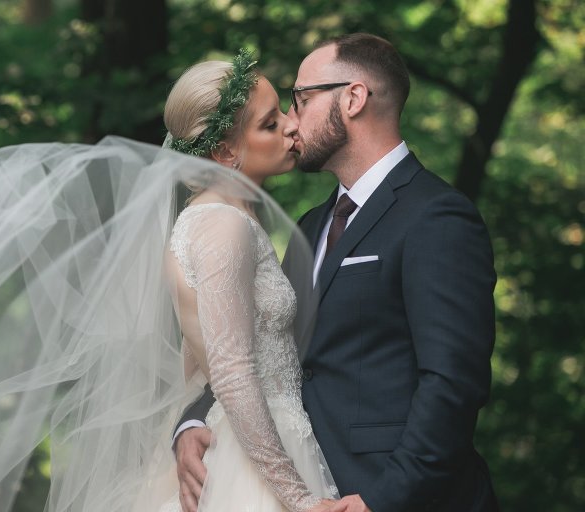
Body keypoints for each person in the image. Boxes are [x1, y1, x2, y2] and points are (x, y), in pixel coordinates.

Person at [0, 50, 337, 512]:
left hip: (247, 441)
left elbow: (192, 367)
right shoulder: (222, 226)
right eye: (271, 123)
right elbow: (232, 371)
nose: (293, 127)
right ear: (226, 152)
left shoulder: (214, 220)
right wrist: (297, 498)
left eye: (285, 112)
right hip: (254, 462)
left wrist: (189, 423)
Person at [174, 33, 500, 512]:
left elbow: (452, 382)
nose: (291, 120)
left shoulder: (437, 217)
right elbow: (263, 349)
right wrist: (193, 422)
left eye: (301, 99)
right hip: (308, 482)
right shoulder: (310, 225)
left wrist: (381, 500)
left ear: (353, 98)